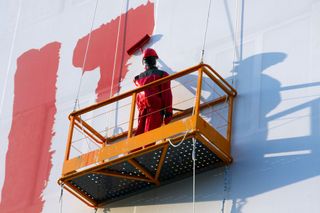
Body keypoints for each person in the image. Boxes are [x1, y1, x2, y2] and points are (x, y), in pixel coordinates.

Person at [134, 48, 173, 135]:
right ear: (154, 60)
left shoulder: (138, 79)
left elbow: (137, 99)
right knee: (149, 137)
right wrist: (168, 113)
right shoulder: (162, 75)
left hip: (142, 110)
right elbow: (166, 95)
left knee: (140, 136)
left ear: (144, 62)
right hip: (155, 109)